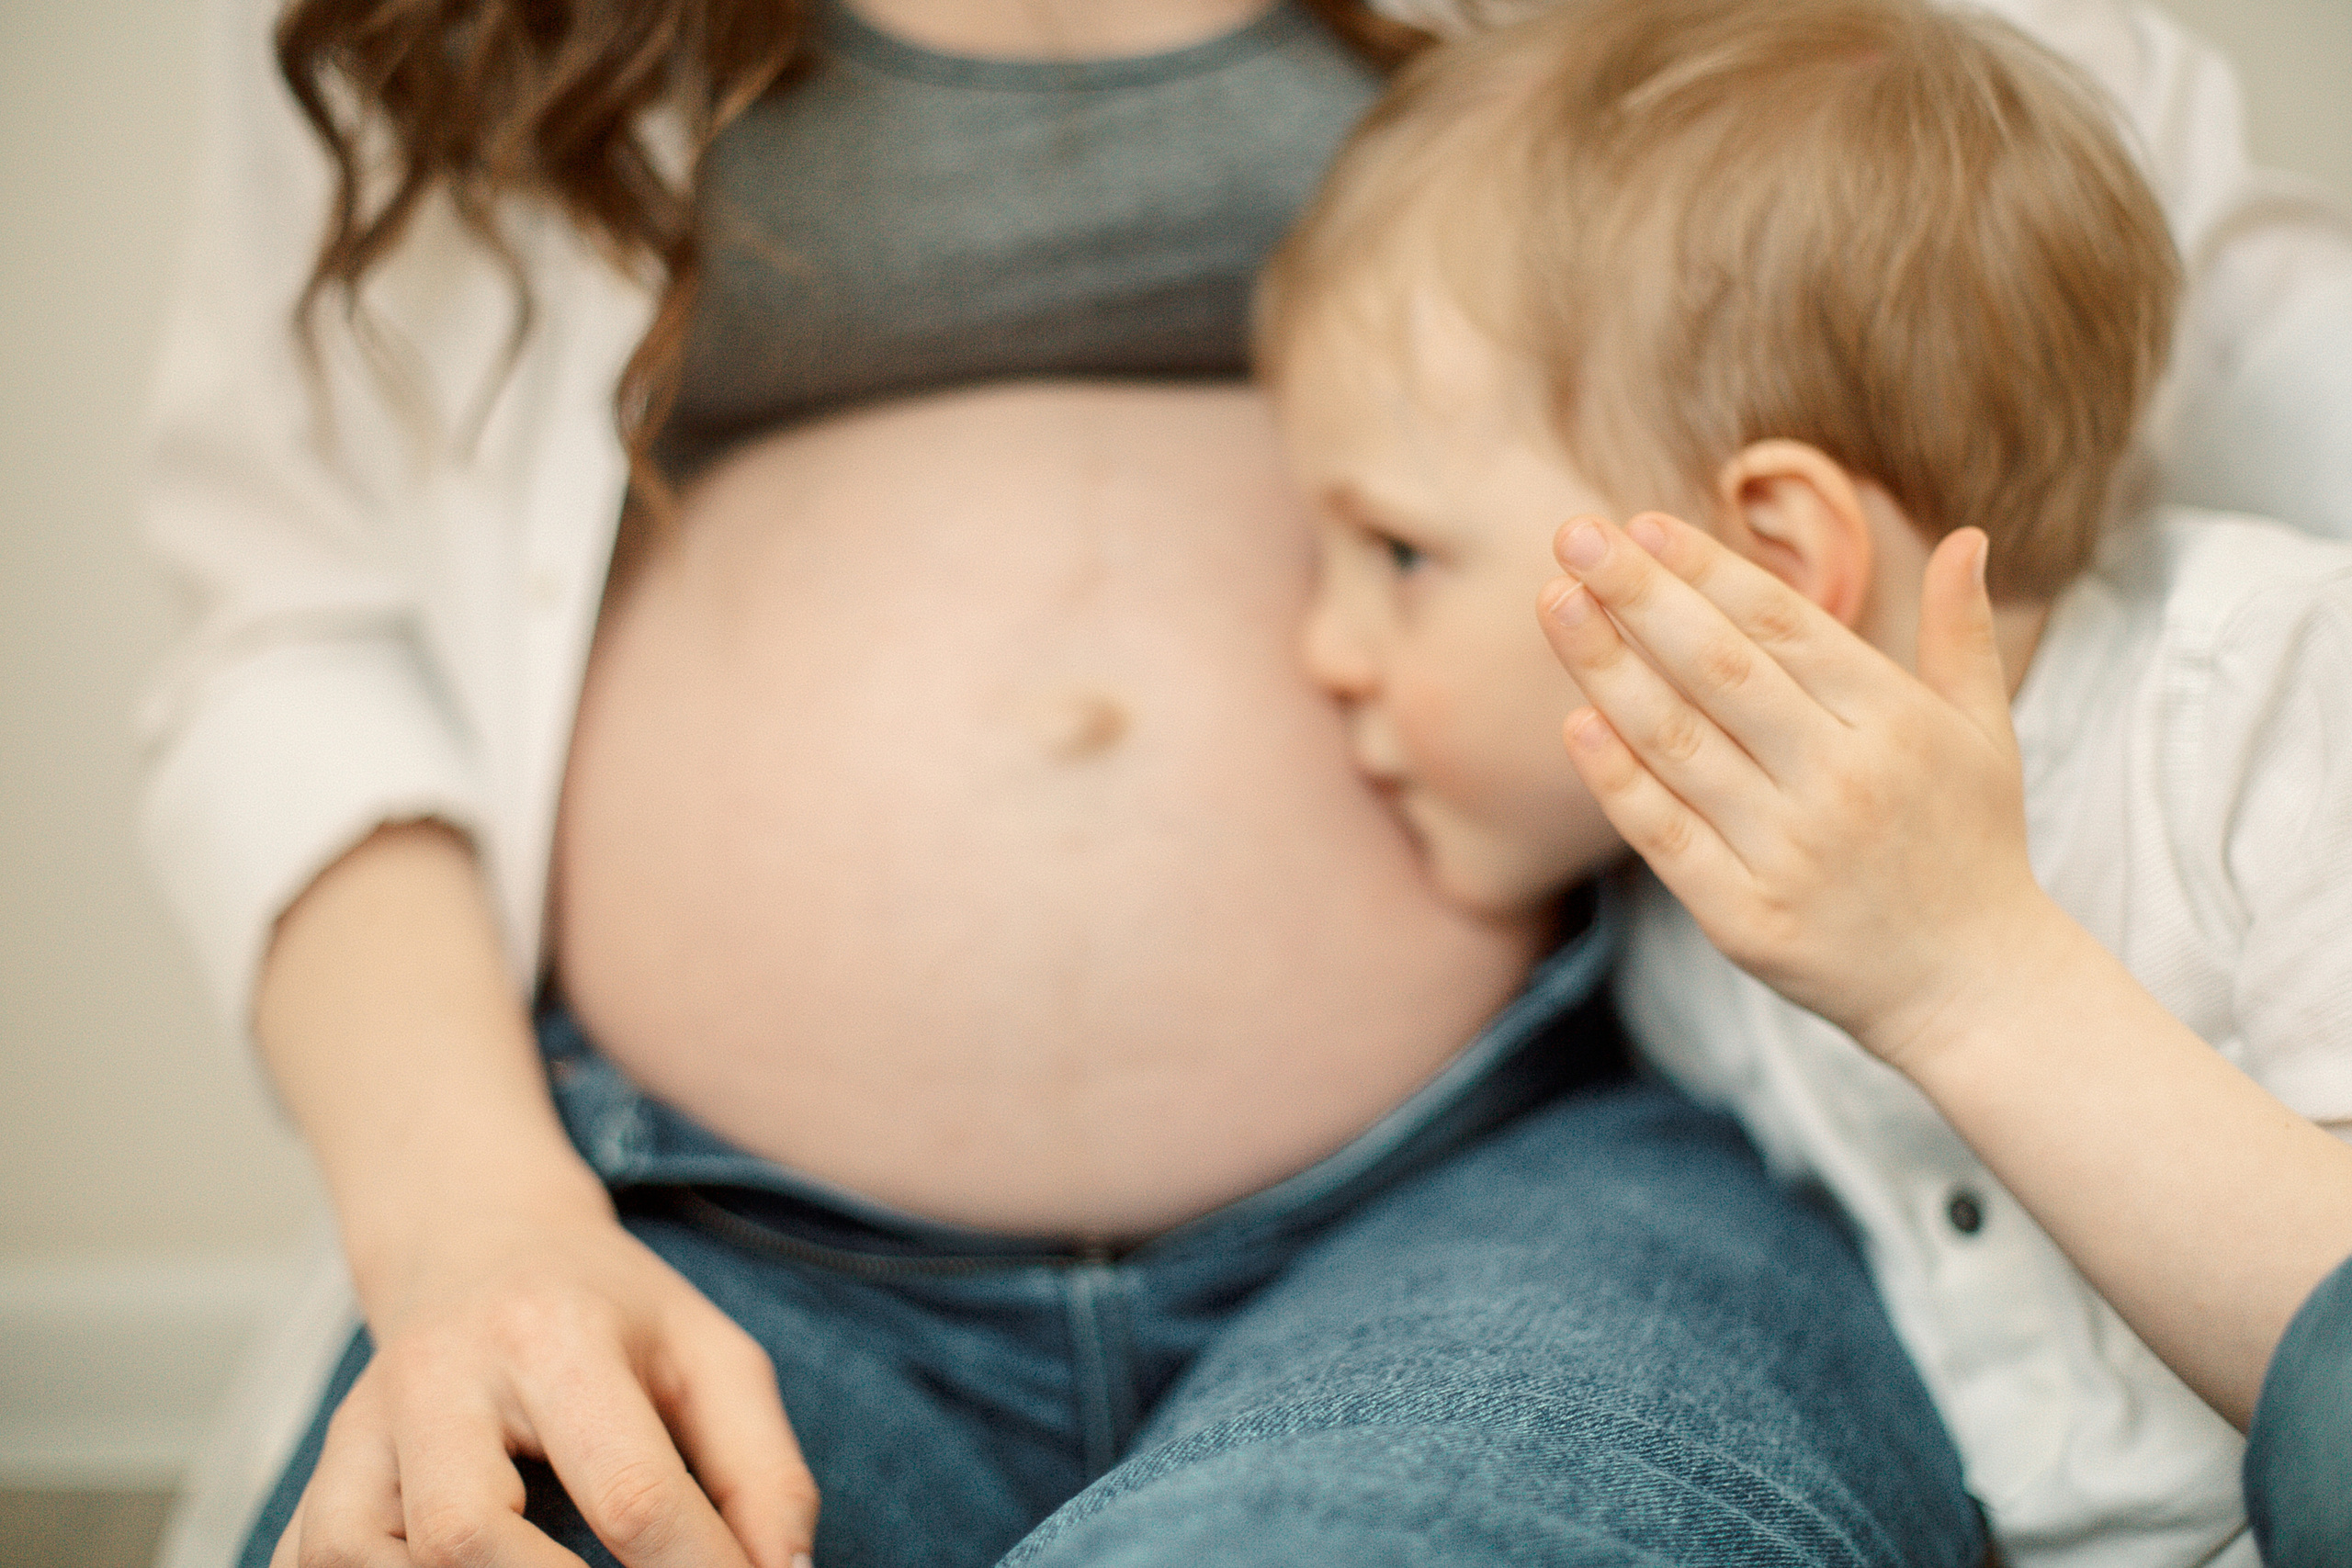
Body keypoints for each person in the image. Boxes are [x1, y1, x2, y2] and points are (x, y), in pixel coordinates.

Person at [136, 0, 2350, 1566]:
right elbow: (290, 625)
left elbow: (2162, 300)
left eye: (1385, 551)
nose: (1312, 644)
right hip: (665, 1225)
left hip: (1544, 1171)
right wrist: (475, 1227)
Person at [1258, 1, 2352, 1563]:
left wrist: (1964, 975)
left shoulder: (2274, 714)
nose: (1321, 650)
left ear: (1768, 557)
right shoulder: (1677, 936)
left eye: (1398, 552)